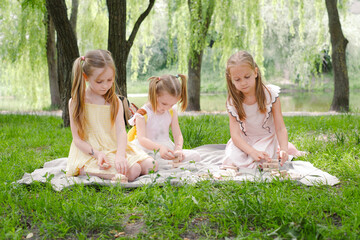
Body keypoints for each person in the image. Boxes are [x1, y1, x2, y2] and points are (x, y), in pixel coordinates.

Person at [66, 49, 157, 181]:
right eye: (99, 81)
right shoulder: (76, 102)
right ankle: (84, 169)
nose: (105, 86)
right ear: (86, 77)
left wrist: (120, 155)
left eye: (109, 80)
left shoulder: (114, 101)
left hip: (114, 146)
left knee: (151, 165)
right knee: (133, 170)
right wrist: (97, 154)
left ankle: (113, 169)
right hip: (91, 151)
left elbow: (121, 131)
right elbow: (77, 140)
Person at [223, 50, 304, 169]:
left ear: (255, 72)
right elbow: (235, 135)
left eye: (247, 77)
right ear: (231, 79)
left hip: (265, 138)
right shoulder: (232, 102)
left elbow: (280, 128)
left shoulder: (270, 94)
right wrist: (251, 151)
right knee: (231, 160)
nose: (243, 83)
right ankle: (277, 149)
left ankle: (284, 148)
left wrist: (284, 149)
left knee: (261, 161)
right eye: (237, 79)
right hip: (244, 140)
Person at [127, 74, 200, 164]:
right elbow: (142, 139)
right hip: (147, 149)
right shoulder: (143, 114)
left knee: (196, 155)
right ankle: (166, 163)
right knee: (151, 163)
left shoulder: (171, 111)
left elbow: (178, 135)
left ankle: (169, 163)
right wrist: (160, 148)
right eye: (164, 104)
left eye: (172, 104)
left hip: (166, 147)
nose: (167, 108)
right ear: (154, 95)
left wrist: (178, 149)